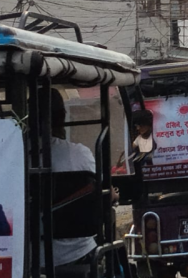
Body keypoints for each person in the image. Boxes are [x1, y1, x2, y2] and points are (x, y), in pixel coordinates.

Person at [46, 89, 111, 267]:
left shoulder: (15, 155)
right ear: (62, 116)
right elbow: (101, 192)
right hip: (76, 252)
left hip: (26, 253)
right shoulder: (79, 154)